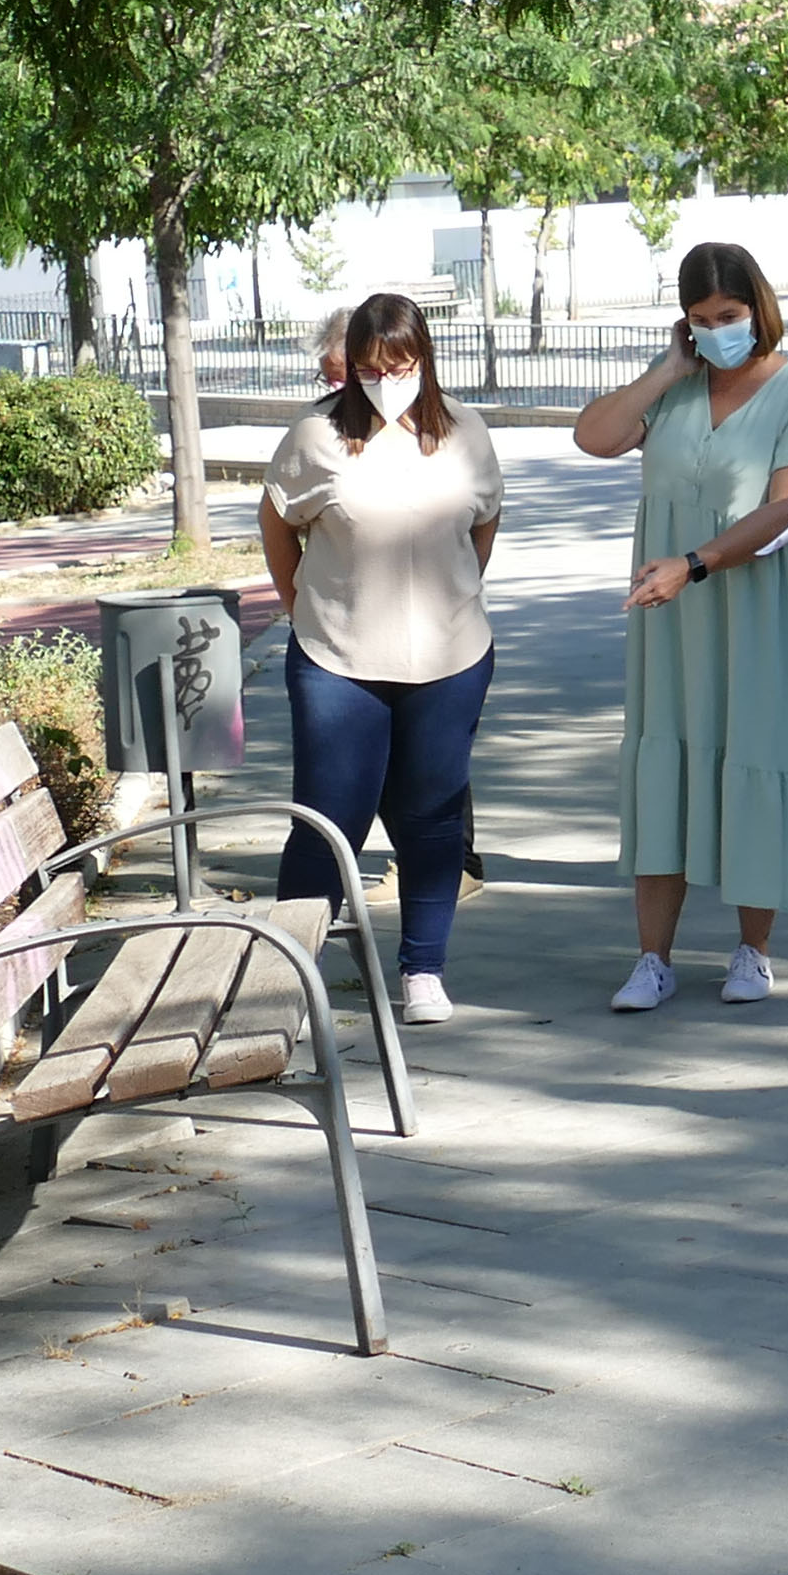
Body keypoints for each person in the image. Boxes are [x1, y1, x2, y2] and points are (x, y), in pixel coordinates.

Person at [573, 241, 788, 1012]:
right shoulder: (675, 388)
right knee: (666, 752)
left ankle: (753, 950)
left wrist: (694, 563)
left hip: (760, 602)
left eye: (728, 315)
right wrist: (668, 368)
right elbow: (594, 437)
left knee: (753, 750)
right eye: (700, 318)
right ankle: (652, 959)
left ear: (758, 308)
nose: (716, 329)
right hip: (673, 614)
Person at [263, 292, 504, 1026]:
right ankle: (288, 978)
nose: (384, 381)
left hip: (450, 657)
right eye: (369, 369)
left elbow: (485, 521)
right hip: (338, 658)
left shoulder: (465, 431)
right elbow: (278, 522)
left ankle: (423, 969)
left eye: (398, 367)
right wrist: (298, 603)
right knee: (328, 818)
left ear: (424, 359)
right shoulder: (317, 436)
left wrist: (454, 593)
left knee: (432, 816)